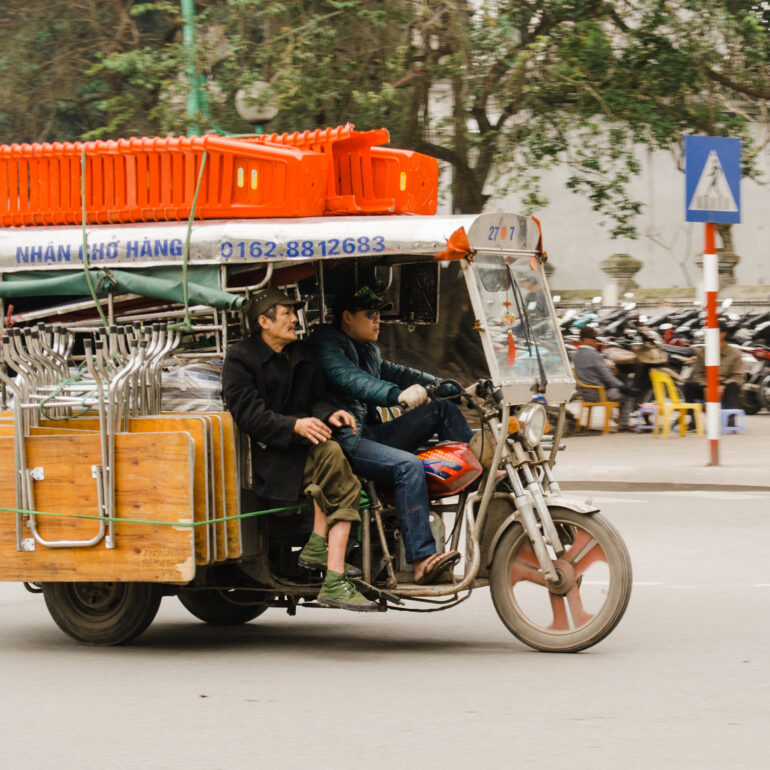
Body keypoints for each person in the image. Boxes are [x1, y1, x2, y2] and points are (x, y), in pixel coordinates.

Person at [221, 286, 377, 611]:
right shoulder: (241, 358)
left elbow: (316, 399)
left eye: (295, 312)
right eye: (288, 313)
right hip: (271, 457)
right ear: (264, 321)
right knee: (337, 471)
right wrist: (294, 426)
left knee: (336, 457)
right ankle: (329, 568)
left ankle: (325, 560)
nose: (295, 319)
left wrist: (326, 414)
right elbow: (249, 415)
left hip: (304, 446)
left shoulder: (303, 354)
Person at [310, 285, 474, 585]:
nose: (378, 321)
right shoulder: (326, 343)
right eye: (370, 314)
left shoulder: (366, 347)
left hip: (370, 432)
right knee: (407, 465)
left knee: (442, 410)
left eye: (380, 315)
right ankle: (422, 560)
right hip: (346, 441)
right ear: (347, 317)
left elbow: (397, 372)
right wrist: (396, 396)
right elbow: (350, 379)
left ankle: (476, 471)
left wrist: (452, 388)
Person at [573, 326, 634, 432]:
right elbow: (607, 377)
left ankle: (617, 418)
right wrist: (622, 387)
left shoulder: (576, 355)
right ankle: (624, 424)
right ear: (586, 339)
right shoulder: (593, 354)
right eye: (594, 339)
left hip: (585, 393)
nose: (596, 342)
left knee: (619, 389)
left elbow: (593, 372)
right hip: (599, 393)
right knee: (628, 394)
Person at [684, 320, 744, 410]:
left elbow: (739, 376)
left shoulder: (734, 353)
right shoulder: (703, 352)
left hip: (725, 388)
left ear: (723, 334)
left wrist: (723, 386)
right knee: (688, 385)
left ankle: (729, 419)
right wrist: (706, 386)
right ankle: (692, 419)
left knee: (733, 386)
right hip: (706, 387)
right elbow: (697, 374)